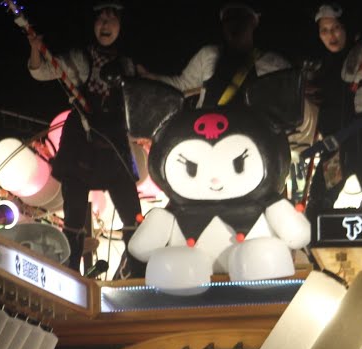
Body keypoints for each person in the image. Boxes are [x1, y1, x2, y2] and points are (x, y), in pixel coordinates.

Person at [27, 1, 144, 279]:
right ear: (93, 24)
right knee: (74, 213)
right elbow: (40, 71)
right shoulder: (81, 59)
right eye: (101, 19)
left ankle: (138, 271)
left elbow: (140, 99)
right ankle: (70, 273)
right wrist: (34, 46)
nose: (105, 25)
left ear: (120, 25)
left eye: (111, 19)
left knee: (132, 211)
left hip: (113, 142)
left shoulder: (128, 65)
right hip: (81, 142)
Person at [304, 2, 362, 217]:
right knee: (318, 202)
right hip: (335, 145)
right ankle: (312, 245)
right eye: (325, 31)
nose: (331, 35)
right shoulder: (317, 66)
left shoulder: (360, 56)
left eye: (336, 28)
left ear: (345, 28)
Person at [150, 2, 291, 108]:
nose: (234, 23)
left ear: (254, 22)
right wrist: (149, 79)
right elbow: (182, 85)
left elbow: (289, 107)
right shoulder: (207, 54)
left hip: (253, 142)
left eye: (241, 17)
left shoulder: (276, 64)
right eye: (228, 18)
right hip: (204, 137)